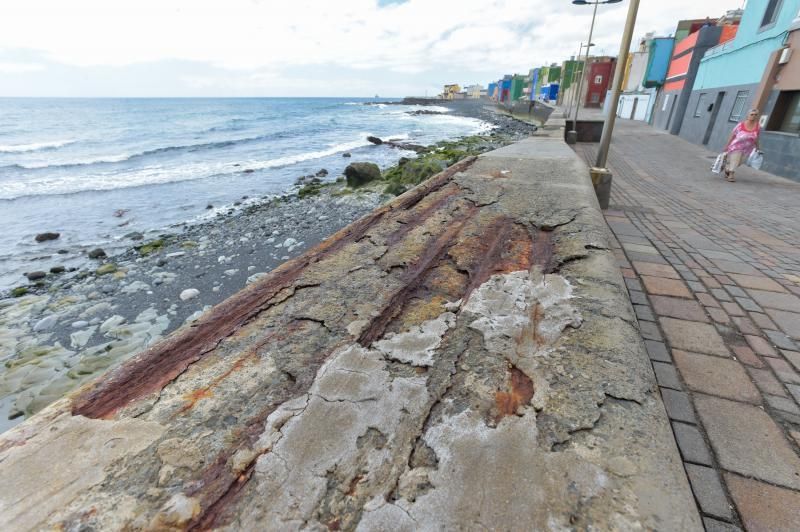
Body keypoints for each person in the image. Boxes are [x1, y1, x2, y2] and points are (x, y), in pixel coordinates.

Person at [723, 109, 761, 182]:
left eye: (756, 115)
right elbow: (732, 135)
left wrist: (757, 147)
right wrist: (727, 145)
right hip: (736, 146)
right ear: (748, 115)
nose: (753, 116)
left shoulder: (758, 126)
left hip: (748, 149)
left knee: (741, 162)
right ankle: (731, 174)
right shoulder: (740, 125)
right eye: (752, 114)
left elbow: (757, 137)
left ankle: (728, 169)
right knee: (735, 160)